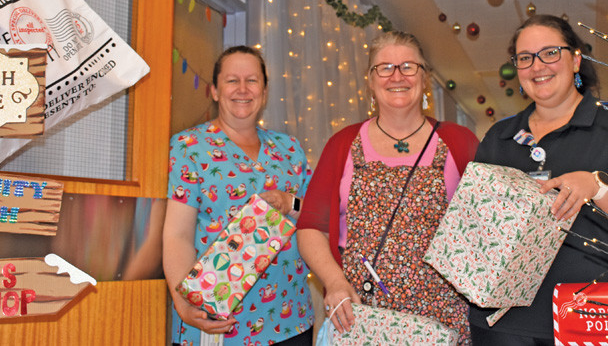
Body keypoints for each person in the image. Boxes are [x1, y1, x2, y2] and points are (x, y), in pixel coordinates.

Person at [470, 15, 608, 345]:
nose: (538, 66)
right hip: (502, 326)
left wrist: (598, 186)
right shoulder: (499, 137)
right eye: (525, 58)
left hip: (594, 318)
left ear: (576, 59)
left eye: (550, 53)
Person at [297, 31, 479, 345]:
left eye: (409, 66)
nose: (397, 76)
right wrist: (334, 282)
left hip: (442, 321)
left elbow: (485, 228)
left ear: (424, 79)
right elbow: (311, 227)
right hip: (362, 317)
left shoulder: (459, 142)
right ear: (370, 80)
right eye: (385, 68)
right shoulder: (343, 144)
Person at [163, 46, 315, 346]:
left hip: (290, 318)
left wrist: (289, 202)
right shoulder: (188, 146)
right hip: (219, 322)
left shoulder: (290, 148)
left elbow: (314, 215)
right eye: (232, 81)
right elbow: (177, 235)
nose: (243, 89)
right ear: (215, 91)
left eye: (252, 80)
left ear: (265, 90)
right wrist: (183, 302)